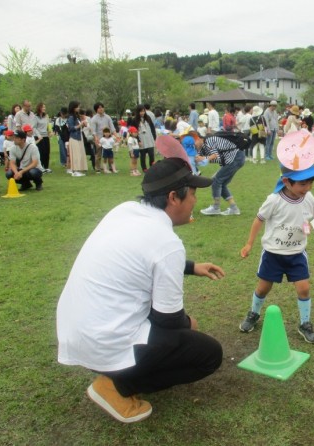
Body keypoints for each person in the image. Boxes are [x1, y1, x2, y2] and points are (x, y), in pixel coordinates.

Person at [57, 157, 224, 424]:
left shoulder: (125, 210)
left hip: (77, 333)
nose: (195, 201)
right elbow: (167, 321)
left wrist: (191, 267)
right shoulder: (167, 243)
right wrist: (187, 324)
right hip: (104, 341)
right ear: (173, 197)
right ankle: (117, 387)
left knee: (177, 328)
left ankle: (118, 374)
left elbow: (140, 258)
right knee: (208, 354)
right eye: (192, 194)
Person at [239, 164, 314, 343]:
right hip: (273, 254)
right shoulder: (274, 200)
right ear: (286, 181)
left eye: (310, 183)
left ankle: (305, 324)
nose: (307, 188)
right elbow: (258, 220)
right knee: (263, 288)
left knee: (304, 288)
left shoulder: (308, 198)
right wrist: (249, 244)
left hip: (297, 254)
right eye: (303, 184)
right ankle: (253, 313)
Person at [196, 133, 245, 216]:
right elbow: (217, 159)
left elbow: (216, 157)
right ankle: (234, 208)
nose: (194, 145)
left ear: (199, 138)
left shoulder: (208, 141)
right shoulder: (207, 143)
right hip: (238, 157)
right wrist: (203, 160)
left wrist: (202, 158)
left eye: (194, 141)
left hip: (234, 158)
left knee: (216, 180)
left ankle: (216, 207)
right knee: (222, 183)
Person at [91, 102, 117, 173]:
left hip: (108, 138)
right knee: (98, 154)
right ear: (96, 109)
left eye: (102, 107)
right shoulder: (94, 119)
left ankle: (111, 167)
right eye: (99, 108)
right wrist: (96, 138)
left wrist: (116, 136)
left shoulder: (107, 117)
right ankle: (97, 168)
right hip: (99, 138)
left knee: (109, 153)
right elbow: (93, 130)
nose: (101, 109)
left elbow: (112, 128)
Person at [129, 104, 156, 172]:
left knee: (151, 154)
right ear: (138, 112)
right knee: (143, 155)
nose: (142, 113)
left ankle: (152, 167)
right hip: (141, 139)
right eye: (141, 111)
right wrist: (138, 140)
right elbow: (133, 131)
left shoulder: (148, 118)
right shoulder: (135, 120)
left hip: (149, 138)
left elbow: (152, 127)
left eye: (143, 111)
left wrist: (154, 137)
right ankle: (144, 168)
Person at [66, 101, 89, 177]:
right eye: (77, 107)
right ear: (73, 108)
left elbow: (79, 126)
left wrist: (83, 125)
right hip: (74, 137)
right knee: (76, 154)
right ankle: (75, 171)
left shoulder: (77, 116)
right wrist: (80, 125)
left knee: (80, 153)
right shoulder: (70, 117)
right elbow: (71, 128)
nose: (79, 108)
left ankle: (78, 169)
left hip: (79, 136)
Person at [33, 102, 52, 172]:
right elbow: (34, 127)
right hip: (38, 137)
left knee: (46, 152)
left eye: (44, 107)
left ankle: (46, 167)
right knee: (40, 152)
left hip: (45, 136)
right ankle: (40, 167)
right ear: (39, 108)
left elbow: (48, 125)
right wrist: (39, 135)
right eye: (43, 107)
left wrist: (49, 132)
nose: (44, 108)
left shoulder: (46, 116)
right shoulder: (35, 117)